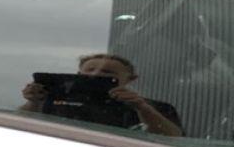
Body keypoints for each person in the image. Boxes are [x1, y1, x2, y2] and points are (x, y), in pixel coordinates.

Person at [21, 53, 183, 137]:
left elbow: (172, 139)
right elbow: (22, 126)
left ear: (130, 79)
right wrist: (33, 102)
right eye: (90, 70)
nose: (96, 74)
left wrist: (142, 108)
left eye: (108, 72)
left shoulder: (154, 107)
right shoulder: (51, 100)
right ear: (79, 74)